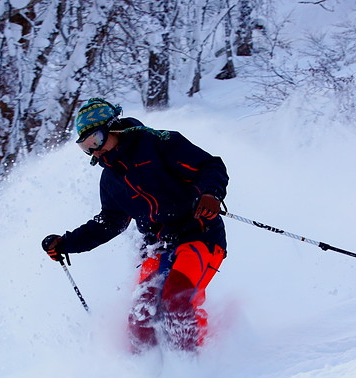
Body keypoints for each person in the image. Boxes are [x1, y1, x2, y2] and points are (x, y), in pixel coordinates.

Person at [42, 98, 229, 353]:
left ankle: (193, 363)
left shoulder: (160, 143)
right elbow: (109, 222)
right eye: (85, 147)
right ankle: (147, 372)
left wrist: (210, 194)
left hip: (198, 234)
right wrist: (66, 243)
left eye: (96, 140)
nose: (94, 151)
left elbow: (210, 166)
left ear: (114, 128)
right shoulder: (110, 179)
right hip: (157, 247)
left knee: (176, 297)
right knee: (141, 313)